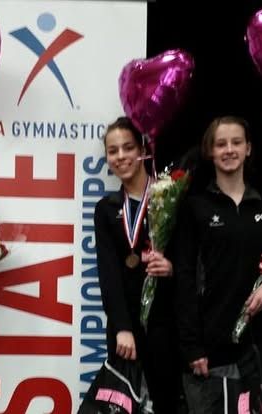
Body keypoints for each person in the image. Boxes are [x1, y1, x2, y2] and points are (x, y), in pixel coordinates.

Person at [174, 116, 262, 413]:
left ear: (248, 148)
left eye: (237, 142)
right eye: (220, 143)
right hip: (211, 346)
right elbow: (183, 277)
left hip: (259, 342)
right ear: (210, 150)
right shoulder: (195, 206)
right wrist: (191, 345)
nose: (229, 149)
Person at [94, 116, 182, 414]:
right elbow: (108, 273)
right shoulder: (106, 209)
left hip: (165, 324)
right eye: (113, 151)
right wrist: (121, 327)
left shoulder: (169, 195)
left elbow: (191, 259)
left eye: (127, 148)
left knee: (166, 402)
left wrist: (171, 268)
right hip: (125, 330)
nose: (120, 157)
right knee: (124, 406)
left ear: (142, 150)